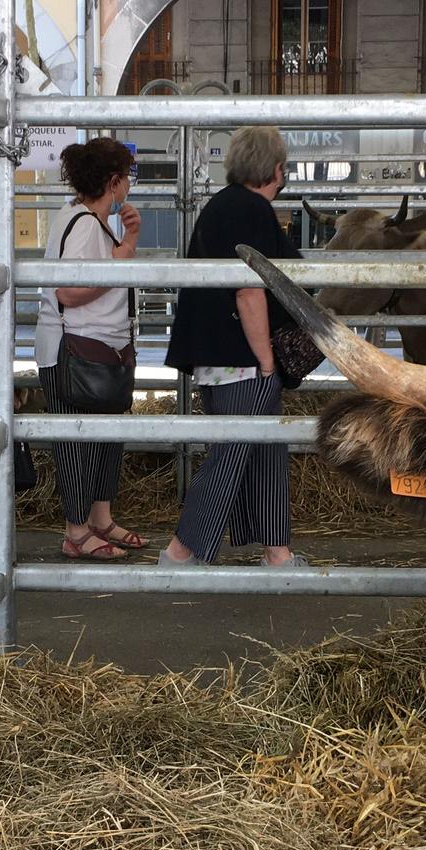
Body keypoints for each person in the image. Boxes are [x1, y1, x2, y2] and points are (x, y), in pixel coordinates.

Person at [160, 125, 302, 569]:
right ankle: (180, 553)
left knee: (264, 451)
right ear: (276, 169)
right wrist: (265, 362)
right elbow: (249, 290)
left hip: (216, 357)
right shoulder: (253, 211)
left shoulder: (219, 207)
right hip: (243, 359)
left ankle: (278, 554)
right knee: (231, 454)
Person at [39, 137, 142, 560]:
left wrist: (128, 238)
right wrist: (119, 263)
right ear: (114, 182)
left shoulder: (87, 220)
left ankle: (100, 518)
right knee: (79, 442)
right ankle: (76, 531)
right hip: (76, 351)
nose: (129, 186)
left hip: (96, 348)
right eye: (127, 178)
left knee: (102, 440)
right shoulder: (83, 224)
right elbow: (69, 290)